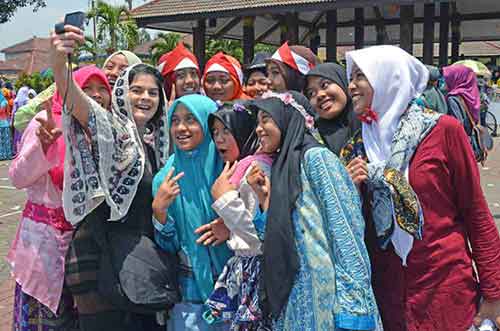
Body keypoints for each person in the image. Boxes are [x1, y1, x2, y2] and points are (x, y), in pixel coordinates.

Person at [345, 45, 500, 331]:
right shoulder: (358, 146)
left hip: (445, 289)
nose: (351, 85)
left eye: (360, 76)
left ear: (388, 78)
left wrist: (494, 293)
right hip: (388, 297)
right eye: (350, 77)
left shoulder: (443, 131)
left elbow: (476, 213)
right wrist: (349, 189)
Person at [50, 24, 169, 331]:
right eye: (137, 90)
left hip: (139, 263)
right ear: (121, 93)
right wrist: (59, 59)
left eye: (153, 92)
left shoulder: (161, 145)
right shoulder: (110, 130)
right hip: (99, 261)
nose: (145, 97)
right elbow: (73, 97)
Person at [252, 91, 380, 331]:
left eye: (266, 119)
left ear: (286, 118)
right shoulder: (281, 167)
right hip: (295, 303)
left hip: (328, 304)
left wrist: (353, 310)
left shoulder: (317, 159)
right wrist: (264, 199)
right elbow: (272, 238)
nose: (259, 129)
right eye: (257, 121)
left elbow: (347, 232)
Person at [7, 65, 111, 331]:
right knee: (45, 318)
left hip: (89, 250)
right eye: (85, 88)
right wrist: (43, 148)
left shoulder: (106, 132)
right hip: (43, 248)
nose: (96, 95)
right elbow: (18, 178)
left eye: (102, 89)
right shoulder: (45, 122)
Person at [152, 94, 233, 331]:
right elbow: (168, 245)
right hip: (191, 298)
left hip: (236, 291)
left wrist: (231, 225)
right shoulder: (165, 179)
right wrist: (160, 210)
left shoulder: (230, 168)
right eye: (175, 120)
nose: (181, 128)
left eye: (191, 119)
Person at [204, 101, 273, 330]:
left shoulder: (254, 170)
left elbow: (257, 238)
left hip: (258, 277)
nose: (219, 139)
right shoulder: (241, 168)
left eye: (226, 130)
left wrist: (224, 200)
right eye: (215, 133)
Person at [304, 62, 361, 155]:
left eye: (324, 85)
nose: (319, 95)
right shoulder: (313, 138)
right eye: (311, 93)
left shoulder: (369, 124)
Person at [11, 86, 35, 155]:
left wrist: (12, 121)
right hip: (26, 122)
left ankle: (17, 151)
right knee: (25, 136)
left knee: (18, 137)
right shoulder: (28, 101)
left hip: (18, 122)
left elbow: (13, 112)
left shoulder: (16, 101)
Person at [0, 91, 12, 160]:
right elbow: (8, 113)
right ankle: (7, 155)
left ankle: (1, 155)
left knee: (1, 141)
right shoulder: (5, 102)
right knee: (6, 140)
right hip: (5, 123)